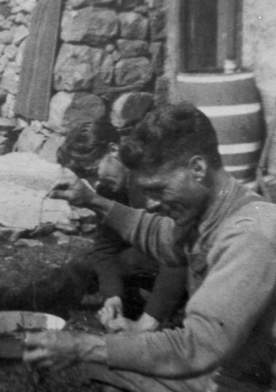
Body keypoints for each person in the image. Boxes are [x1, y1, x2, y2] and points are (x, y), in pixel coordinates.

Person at [24, 103, 276, 392]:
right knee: (111, 365)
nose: (151, 202)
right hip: (242, 365)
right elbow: (156, 233)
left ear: (197, 169)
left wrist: (81, 346)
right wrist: (93, 200)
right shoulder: (211, 214)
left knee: (112, 362)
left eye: (159, 189)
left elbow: (197, 346)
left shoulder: (252, 235)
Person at [56, 119, 187, 333]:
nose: (95, 183)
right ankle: (23, 300)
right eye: (86, 177)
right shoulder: (110, 188)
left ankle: (164, 308)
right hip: (154, 258)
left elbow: (177, 254)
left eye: (94, 170)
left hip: (191, 259)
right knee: (83, 265)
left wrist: (149, 321)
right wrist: (112, 297)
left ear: (113, 149)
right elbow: (104, 250)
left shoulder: (152, 178)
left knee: (129, 260)